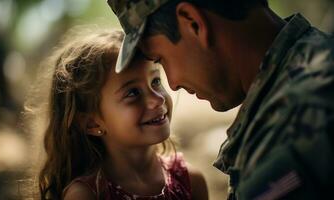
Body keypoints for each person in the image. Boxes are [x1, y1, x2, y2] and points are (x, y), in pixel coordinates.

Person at [107, 0, 334, 199]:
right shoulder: (320, 55)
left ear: (193, 22)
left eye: (160, 59)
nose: (173, 83)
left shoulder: (285, 134)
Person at [36, 29, 208, 200]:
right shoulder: (88, 195)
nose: (157, 99)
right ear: (92, 124)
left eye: (155, 81)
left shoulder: (191, 182)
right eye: (133, 93)